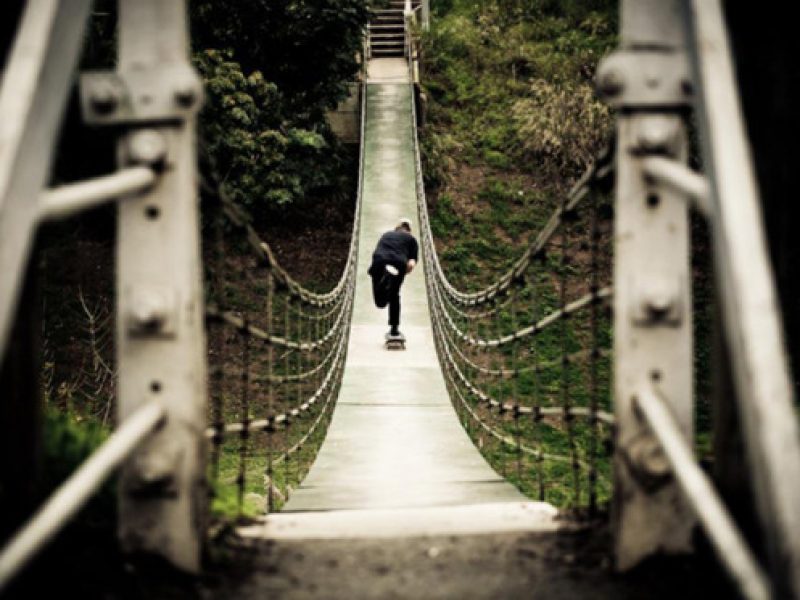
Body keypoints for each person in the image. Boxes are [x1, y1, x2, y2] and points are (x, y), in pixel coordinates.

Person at [367, 217, 419, 339]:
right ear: (409, 230)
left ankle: (385, 278)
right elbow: (411, 263)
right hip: (398, 263)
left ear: (397, 228)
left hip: (379, 261)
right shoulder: (411, 239)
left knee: (380, 303)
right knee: (394, 296)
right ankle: (394, 329)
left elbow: (378, 250)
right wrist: (405, 271)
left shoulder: (386, 234)